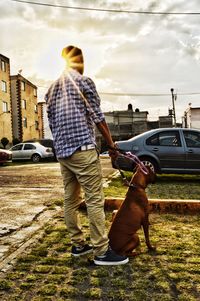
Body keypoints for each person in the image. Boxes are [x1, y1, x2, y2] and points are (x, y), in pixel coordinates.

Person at [45, 45, 128, 266]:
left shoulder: (51, 89)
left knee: (70, 199)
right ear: (79, 61)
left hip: (63, 153)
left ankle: (79, 245)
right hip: (82, 149)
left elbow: (52, 123)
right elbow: (98, 116)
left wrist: (62, 146)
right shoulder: (84, 82)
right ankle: (101, 251)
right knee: (94, 199)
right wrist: (111, 144)